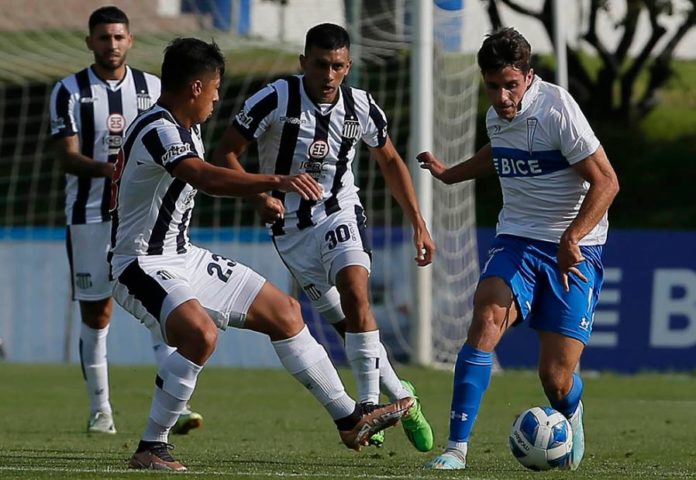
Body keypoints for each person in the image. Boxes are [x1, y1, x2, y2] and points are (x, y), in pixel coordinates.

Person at [110, 37, 413, 471]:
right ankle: (151, 447)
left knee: (286, 312)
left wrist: (260, 194)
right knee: (200, 335)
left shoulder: (184, 125)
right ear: (196, 87)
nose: (217, 100)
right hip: (140, 264)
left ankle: (350, 419)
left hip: (183, 256)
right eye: (215, 90)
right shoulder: (160, 127)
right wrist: (274, 182)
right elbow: (204, 177)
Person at [214, 22, 435, 452]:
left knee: (357, 291)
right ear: (303, 63)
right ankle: (402, 393)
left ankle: (369, 405)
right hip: (289, 230)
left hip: (340, 213)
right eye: (319, 65)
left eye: (337, 66)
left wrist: (419, 224)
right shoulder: (275, 99)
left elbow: (390, 160)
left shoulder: (362, 107)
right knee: (347, 325)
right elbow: (225, 152)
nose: (328, 74)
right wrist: (260, 197)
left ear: (348, 66)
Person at [418, 27, 619, 470]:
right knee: (486, 317)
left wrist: (572, 238)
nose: (503, 97)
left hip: (574, 247)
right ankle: (456, 449)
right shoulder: (496, 115)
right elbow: (498, 153)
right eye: (493, 87)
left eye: (511, 85)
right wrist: (451, 174)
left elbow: (607, 181)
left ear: (529, 76)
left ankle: (571, 412)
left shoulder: (557, 109)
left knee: (555, 378)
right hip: (517, 239)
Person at [49, 6, 202, 436]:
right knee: (97, 313)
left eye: (118, 37)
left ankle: (179, 401)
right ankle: (102, 411)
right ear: (90, 42)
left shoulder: (153, 88)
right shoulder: (69, 91)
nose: (111, 44)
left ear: (130, 40)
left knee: (164, 306)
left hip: (144, 218)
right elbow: (66, 155)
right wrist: (111, 170)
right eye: (103, 37)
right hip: (89, 216)